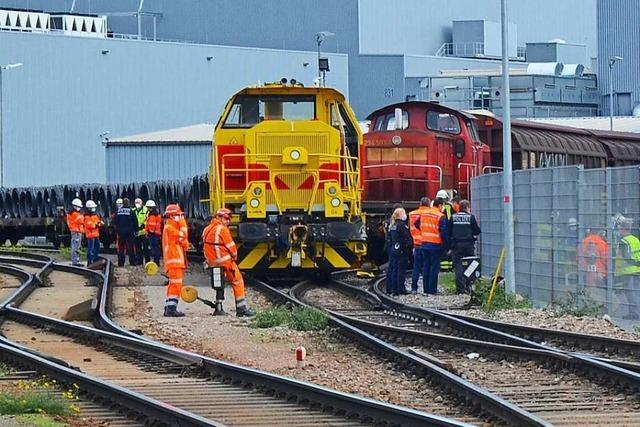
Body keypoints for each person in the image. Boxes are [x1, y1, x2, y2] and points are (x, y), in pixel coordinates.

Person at [202, 208, 254, 317]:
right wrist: (234, 257)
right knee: (238, 281)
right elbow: (231, 247)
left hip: (212, 262)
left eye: (228, 219)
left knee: (219, 284)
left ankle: (219, 306)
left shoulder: (206, 229)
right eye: (226, 219)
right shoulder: (222, 229)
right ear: (219, 217)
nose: (228, 221)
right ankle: (241, 309)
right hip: (225, 263)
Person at [415, 198, 448, 295]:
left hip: (424, 243)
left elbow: (417, 224)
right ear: (440, 205)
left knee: (426, 266)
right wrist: (446, 245)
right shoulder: (440, 216)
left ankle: (426, 290)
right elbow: (443, 232)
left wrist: (425, 231)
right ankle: (432, 290)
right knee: (434, 267)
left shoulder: (424, 213)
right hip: (435, 244)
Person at [449, 200, 481, 294]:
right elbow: (477, 231)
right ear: (467, 207)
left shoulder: (453, 217)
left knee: (458, 266)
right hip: (469, 245)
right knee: (471, 265)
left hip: (457, 245)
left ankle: (460, 289)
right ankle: (469, 286)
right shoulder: (471, 217)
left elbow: (448, 231)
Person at [162, 204, 188, 317]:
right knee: (176, 285)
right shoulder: (170, 228)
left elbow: (183, 241)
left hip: (174, 261)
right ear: (172, 216)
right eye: (178, 215)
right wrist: (183, 224)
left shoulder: (170, 227)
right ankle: (171, 309)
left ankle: (169, 307)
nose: (180, 218)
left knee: (174, 285)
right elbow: (183, 236)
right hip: (174, 261)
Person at [614, 216, 640, 320]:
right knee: (636, 293)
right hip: (637, 270)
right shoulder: (635, 239)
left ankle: (635, 314)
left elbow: (626, 256)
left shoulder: (623, 241)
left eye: (619, 228)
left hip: (628, 271)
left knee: (630, 294)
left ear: (622, 229)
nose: (618, 231)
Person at [386, 207, 412, 296]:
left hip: (394, 249)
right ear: (400, 215)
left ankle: (394, 289)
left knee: (394, 270)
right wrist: (409, 247)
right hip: (401, 250)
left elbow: (390, 239)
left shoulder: (392, 226)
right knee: (401, 270)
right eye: (404, 213)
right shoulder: (402, 226)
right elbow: (406, 239)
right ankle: (400, 289)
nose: (405, 215)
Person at [409, 197, 431, 294]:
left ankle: (414, 287)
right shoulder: (429, 214)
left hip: (416, 243)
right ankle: (427, 289)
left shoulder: (411, 214)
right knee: (427, 266)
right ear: (429, 204)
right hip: (427, 242)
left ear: (420, 204)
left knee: (416, 267)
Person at [114, 198, 137, 267]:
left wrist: (118, 230)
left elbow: (115, 221)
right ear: (128, 203)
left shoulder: (118, 211)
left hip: (121, 233)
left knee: (121, 248)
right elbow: (135, 222)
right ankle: (132, 262)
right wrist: (136, 230)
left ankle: (121, 263)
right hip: (130, 233)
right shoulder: (131, 211)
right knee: (131, 248)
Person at [84, 200, 103, 265]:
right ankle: (90, 262)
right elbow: (89, 225)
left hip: (96, 234)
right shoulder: (86, 216)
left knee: (97, 247)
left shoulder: (95, 215)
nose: (94, 209)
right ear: (89, 208)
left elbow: (98, 222)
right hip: (90, 235)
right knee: (91, 249)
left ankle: (95, 260)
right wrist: (96, 224)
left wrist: (99, 223)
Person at [66, 198, 84, 267]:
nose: (79, 208)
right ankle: (75, 261)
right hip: (76, 231)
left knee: (77, 246)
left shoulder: (73, 213)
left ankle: (76, 260)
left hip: (77, 230)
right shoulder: (74, 214)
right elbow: (81, 220)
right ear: (75, 206)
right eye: (78, 207)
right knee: (75, 246)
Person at [144, 200, 162, 265]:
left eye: (148, 207)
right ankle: (157, 262)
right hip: (156, 234)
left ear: (150, 207)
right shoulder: (157, 215)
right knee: (156, 248)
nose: (147, 209)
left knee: (154, 249)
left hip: (153, 235)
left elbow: (151, 226)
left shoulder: (152, 216)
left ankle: (156, 262)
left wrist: (148, 232)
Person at [133, 198, 150, 265]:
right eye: (136, 202)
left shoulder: (146, 210)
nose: (137, 204)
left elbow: (148, 219)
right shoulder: (133, 210)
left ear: (142, 203)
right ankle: (139, 261)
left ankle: (147, 261)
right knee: (138, 248)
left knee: (146, 248)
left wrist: (144, 225)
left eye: (138, 202)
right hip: (137, 232)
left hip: (144, 232)